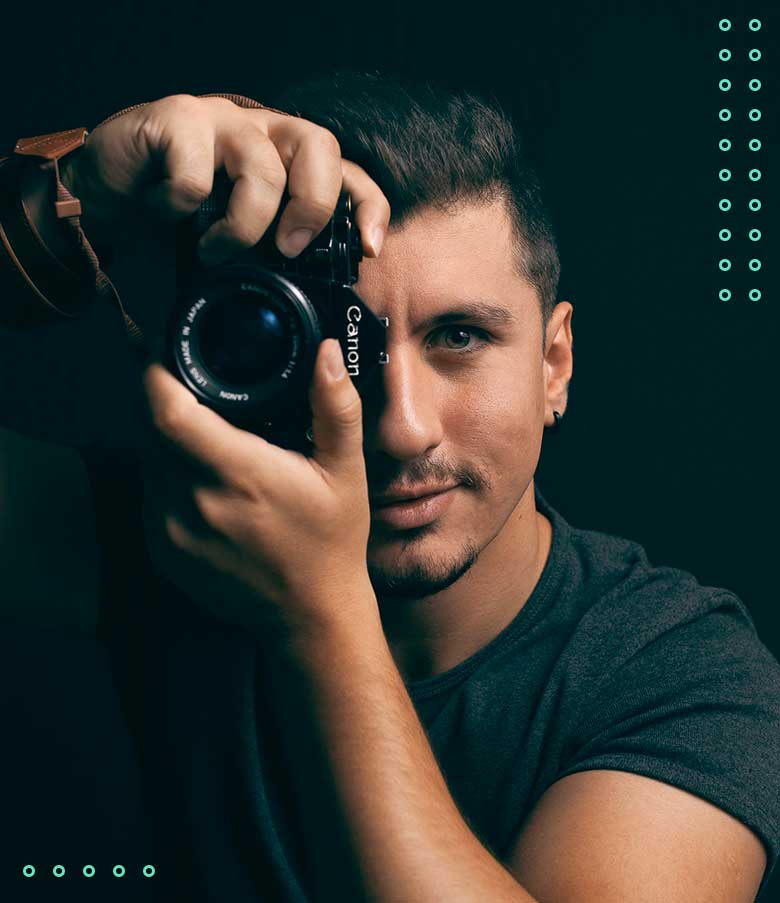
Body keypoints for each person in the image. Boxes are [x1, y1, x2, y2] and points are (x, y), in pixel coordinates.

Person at [1, 69, 779, 902]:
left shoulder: (685, 673)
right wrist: (70, 200)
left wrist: (317, 611)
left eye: (459, 337)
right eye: (344, 345)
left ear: (554, 363)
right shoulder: (189, 538)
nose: (402, 427)